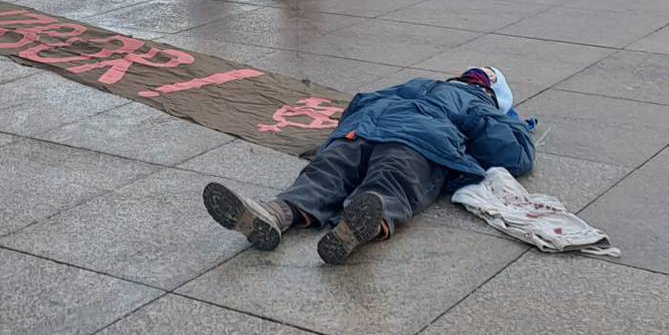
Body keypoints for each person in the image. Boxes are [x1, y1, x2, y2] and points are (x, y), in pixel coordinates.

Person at [202, 67, 535, 264]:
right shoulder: (479, 105)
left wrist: (345, 131)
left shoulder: (418, 83)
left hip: (365, 127)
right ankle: (356, 226)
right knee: (392, 181)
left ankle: (277, 213)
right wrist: (486, 120)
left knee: (328, 172)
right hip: (417, 139)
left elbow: (362, 99)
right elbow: (513, 155)